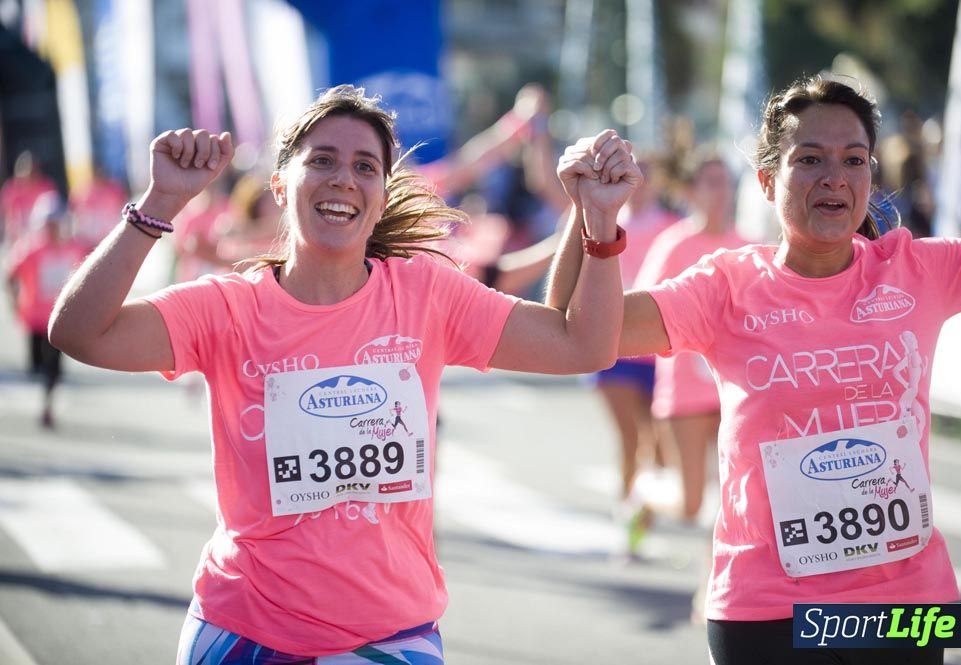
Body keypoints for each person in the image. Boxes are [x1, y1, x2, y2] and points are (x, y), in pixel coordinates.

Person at [48, 84, 640, 663]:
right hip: (242, 629)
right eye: (322, 160)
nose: (343, 179)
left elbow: (580, 345)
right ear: (281, 185)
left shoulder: (426, 294)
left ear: (381, 197)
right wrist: (158, 205)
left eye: (364, 167)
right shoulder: (227, 308)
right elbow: (78, 332)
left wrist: (599, 220)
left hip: (386, 634)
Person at [548, 75, 961, 664]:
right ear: (766, 181)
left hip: (908, 607)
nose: (834, 177)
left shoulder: (916, 269)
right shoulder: (725, 286)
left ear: (870, 176)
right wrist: (591, 214)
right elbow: (568, 326)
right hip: (767, 606)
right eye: (809, 159)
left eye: (853, 160)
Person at [634, 149, 747, 525]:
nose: (721, 192)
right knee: (692, 504)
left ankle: (713, 585)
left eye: (726, 183)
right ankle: (645, 494)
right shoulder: (675, 244)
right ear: (692, 192)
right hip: (684, 387)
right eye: (711, 183)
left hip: (734, 387)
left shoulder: (748, 247)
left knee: (735, 499)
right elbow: (643, 308)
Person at [583, 154, 678, 555]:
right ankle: (627, 525)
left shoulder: (673, 227)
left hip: (659, 351)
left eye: (646, 176)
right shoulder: (605, 219)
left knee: (658, 448)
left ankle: (639, 515)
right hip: (615, 347)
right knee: (629, 437)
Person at [6, 193, 88, 427]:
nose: (52, 229)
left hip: (60, 320)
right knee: (35, 366)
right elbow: (10, 275)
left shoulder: (74, 248)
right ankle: (44, 389)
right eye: (48, 224)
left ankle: (48, 404)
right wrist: (14, 302)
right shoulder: (31, 249)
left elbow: (89, 276)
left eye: (56, 223)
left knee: (53, 368)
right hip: (34, 319)